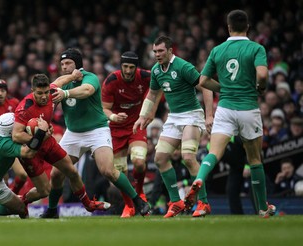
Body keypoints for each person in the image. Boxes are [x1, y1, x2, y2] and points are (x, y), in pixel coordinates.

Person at [183, 9, 276, 218]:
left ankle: (200, 178)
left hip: (224, 108)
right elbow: (262, 74)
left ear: (228, 27)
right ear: (248, 27)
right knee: (254, 159)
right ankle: (262, 208)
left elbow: (203, 81)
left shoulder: (217, 50)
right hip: (248, 108)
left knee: (214, 153)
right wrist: (261, 87)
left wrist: (223, 89)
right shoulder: (256, 48)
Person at [40, 48, 150, 218]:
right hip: (73, 133)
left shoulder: (90, 78)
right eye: (62, 64)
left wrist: (66, 93)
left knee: (107, 170)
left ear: (77, 64)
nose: (64, 67)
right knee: (56, 173)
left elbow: (87, 91)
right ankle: (53, 210)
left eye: (68, 63)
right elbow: (52, 89)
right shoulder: (63, 82)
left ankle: (138, 201)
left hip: (97, 130)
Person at [133, 35, 214, 218]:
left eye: (161, 51)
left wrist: (209, 115)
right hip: (174, 117)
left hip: (192, 116)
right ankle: (175, 201)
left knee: (187, 157)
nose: (157, 54)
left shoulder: (184, 67)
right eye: (154, 51)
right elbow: (152, 95)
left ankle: (203, 203)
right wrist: (142, 116)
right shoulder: (156, 70)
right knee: (160, 158)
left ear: (170, 51)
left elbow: (206, 87)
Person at [12, 72, 110, 215]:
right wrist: (40, 136)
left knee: (72, 172)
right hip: (31, 149)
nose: (44, 96)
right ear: (32, 91)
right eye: (40, 93)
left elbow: (59, 81)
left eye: (46, 92)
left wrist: (73, 76)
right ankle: (22, 201)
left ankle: (88, 204)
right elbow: (16, 135)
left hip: (48, 142)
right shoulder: (24, 107)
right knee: (44, 191)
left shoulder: (52, 94)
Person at [101, 51, 153, 217]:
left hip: (136, 125)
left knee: (139, 161)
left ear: (136, 67)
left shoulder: (145, 76)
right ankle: (129, 205)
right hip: (116, 129)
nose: (128, 70)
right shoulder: (111, 81)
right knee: (119, 172)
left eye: (131, 67)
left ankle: (140, 193)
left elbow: (159, 87)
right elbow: (104, 109)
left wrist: (150, 111)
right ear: (121, 66)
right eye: (125, 66)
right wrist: (114, 116)